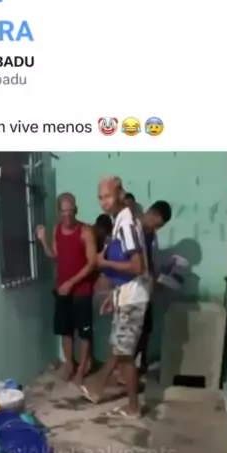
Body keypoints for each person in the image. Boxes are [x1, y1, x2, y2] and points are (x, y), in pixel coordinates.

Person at [81, 176, 150, 418]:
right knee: (120, 349)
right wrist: (114, 294)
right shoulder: (120, 220)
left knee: (125, 355)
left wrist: (103, 263)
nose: (104, 202)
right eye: (100, 198)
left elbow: (137, 266)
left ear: (120, 194)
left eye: (108, 196)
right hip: (126, 294)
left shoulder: (126, 223)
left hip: (134, 296)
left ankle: (133, 407)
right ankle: (102, 389)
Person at [36, 193, 97, 384]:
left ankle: (82, 369)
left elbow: (92, 263)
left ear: (76, 210)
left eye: (71, 211)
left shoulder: (85, 231)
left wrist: (71, 282)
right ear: (59, 212)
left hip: (81, 291)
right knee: (66, 331)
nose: (68, 215)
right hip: (63, 291)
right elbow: (55, 256)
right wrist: (43, 240)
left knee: (85, 333)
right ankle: (70, 364)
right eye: (64, 212)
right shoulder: (57, 230)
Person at [135, 200, 172, 374]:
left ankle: (140, 364)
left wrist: (157, 279)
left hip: (146, 288)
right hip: (132, 289)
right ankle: (124, 369)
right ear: (151, 214)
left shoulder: (151, 236)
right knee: (131, 332)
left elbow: (149, 260)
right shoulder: (133, 230)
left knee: (146, 328)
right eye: (157, 225)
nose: (156, 229)